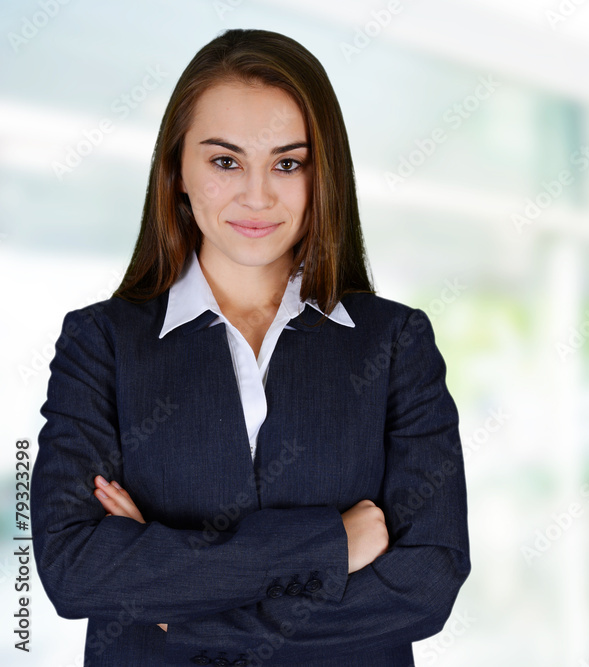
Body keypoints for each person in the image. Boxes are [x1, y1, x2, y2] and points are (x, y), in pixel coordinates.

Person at [30, 28, 471, 667]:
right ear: (176, 167)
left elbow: (426, 584)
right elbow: (73, 571)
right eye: (225, 161)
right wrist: (328, 544)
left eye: (288, 163)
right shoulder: (100, 344)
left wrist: (176, 608)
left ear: (325, 175)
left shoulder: (396, 343)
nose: (257, 195)